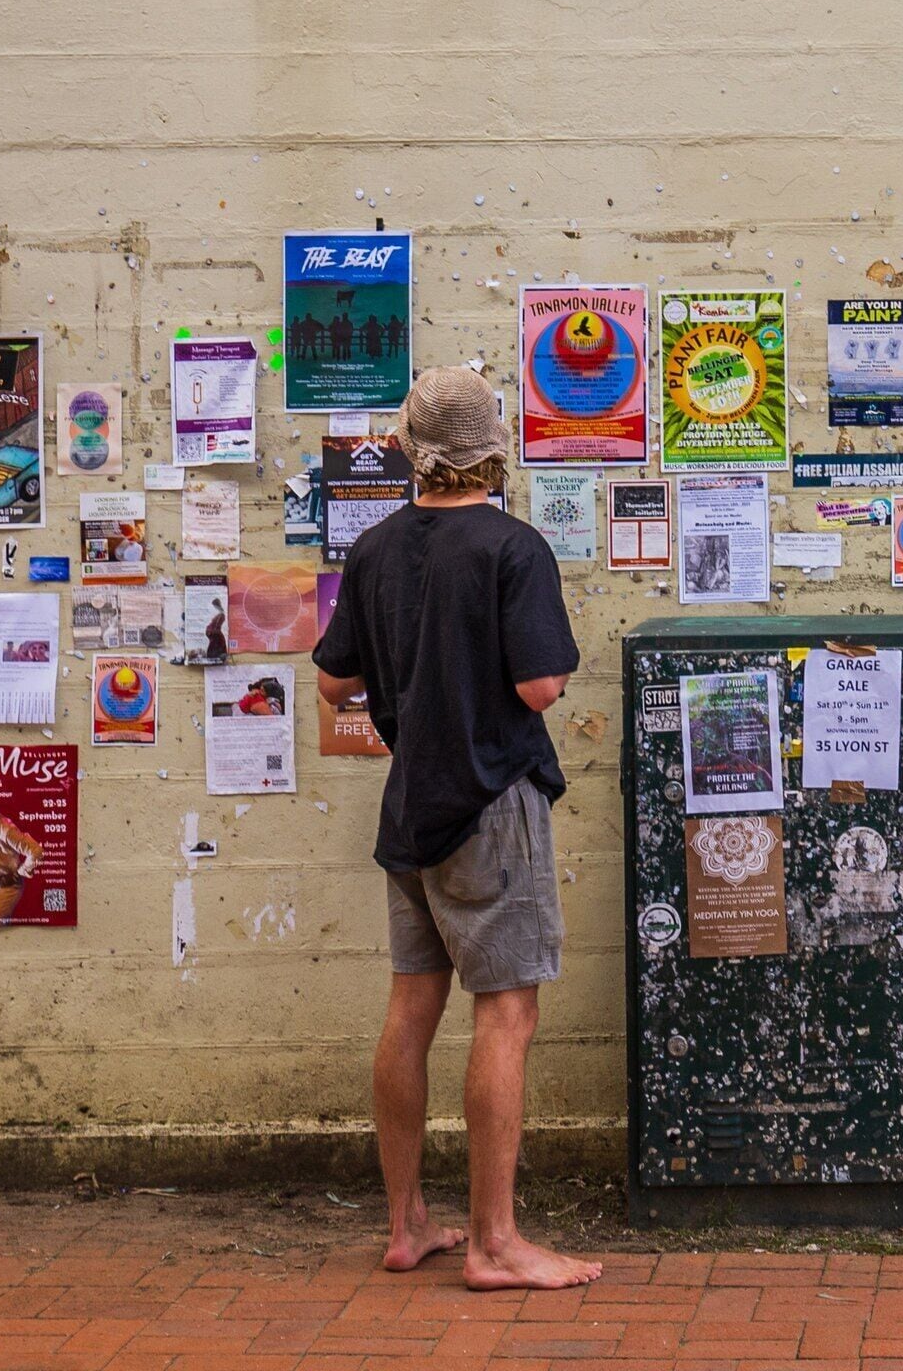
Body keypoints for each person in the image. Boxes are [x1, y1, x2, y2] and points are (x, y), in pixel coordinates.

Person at [312, 367, 601, 1292]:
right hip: (489, 803)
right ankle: (494, 1243)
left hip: (409, 809)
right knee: (506, 1012)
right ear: (495, 447)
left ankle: (407, 1228)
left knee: (410, 1009)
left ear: (405, 447)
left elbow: (332, 683)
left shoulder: (376, 548)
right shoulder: (514, 548)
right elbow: (539, 687)